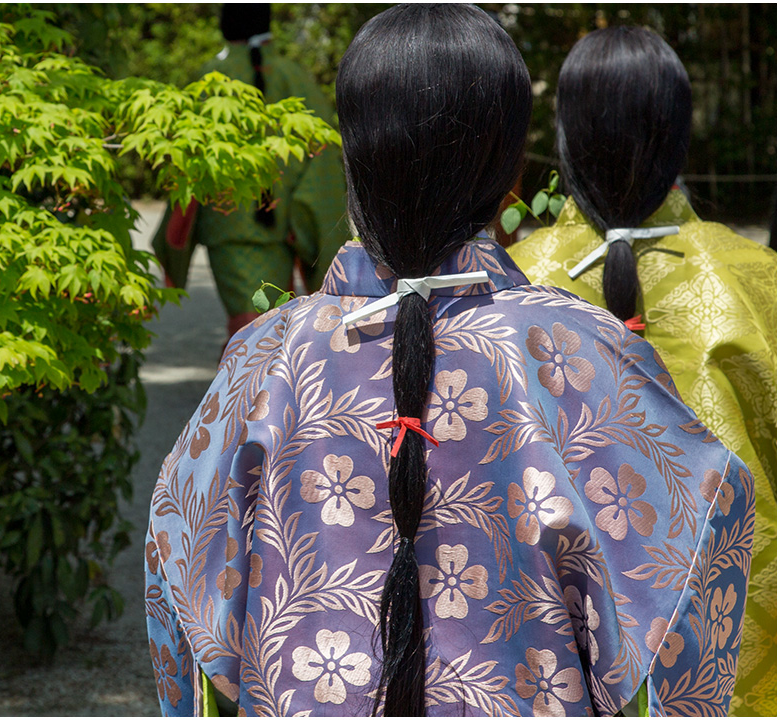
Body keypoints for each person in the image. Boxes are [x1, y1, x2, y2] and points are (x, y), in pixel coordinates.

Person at [146, 5, 753, 716]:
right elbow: (702, 531)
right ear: (506, 177)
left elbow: (181, 578)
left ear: (354, 164)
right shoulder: (582, 354)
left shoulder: (266, 360)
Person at [508, 26, 775, 715]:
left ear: (564, 138)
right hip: (730, 649)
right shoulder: (753, 280)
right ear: (678, 135)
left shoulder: (511, 283)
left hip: (551, 653)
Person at [152, 4, 351, 340]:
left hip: (226, 226)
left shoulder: (211, 78)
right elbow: (323, 158)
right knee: (270, 325)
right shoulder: (294, 75)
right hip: (281, 225)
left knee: (250, 330)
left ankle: (244, 391)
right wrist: (305, 220)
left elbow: (186, 158)